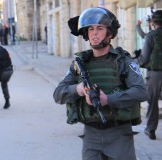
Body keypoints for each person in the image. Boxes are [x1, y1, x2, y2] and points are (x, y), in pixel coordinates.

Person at [53, 7, 149, 160]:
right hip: (91, 136)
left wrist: (108, 99)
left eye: (99, 28)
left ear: (109, 33)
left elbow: (141, 91)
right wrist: (78, 89)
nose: (94, 33)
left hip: (119, 135)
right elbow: (58, 94)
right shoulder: (79, 64)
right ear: (86, 33)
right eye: (90, 29)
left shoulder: (123, 61)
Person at [136, 10, 162, 140]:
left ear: (153, 22)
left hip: (155, 74)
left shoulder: (151, 35)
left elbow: (144, 58)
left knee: (153, 102)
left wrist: (134, 62)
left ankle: (151, 130)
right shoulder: (150, 35)